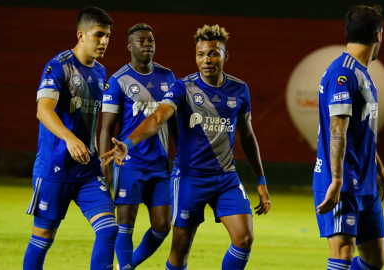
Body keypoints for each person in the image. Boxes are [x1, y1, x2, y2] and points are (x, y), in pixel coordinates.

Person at [101, 24, 271, 270]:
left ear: (225, 55)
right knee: (180, 248)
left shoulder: (239, 90)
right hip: (190, 178)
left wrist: (261, 180)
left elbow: (247, 137)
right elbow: (158, 118)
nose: (206, 60)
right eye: (201, 54)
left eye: (213, 53)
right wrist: (128, 143)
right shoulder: (183, 87)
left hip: (226, 178)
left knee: (244, 238)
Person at [23, 7, 118, 270]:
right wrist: (69, 139)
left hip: (87, 170)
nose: (104, 42)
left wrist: (106, 150)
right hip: (55, 168)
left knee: (109, 229)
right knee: (42, 237)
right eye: (99, 35)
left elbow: (92, 121)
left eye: (108, 36)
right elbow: (43, 110)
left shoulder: (101, 72)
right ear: (81, 35)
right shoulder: (59, 66)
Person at [313, 5, 384, 270]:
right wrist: (337, 179)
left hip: (366, 182)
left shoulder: (362, 74)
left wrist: (380, 173)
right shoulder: (344, 74)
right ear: (378, 35)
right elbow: (337, 129)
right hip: (342, 181)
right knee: (343, 254)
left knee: (375, 259)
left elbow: (360, 135)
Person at [100, 23, 178, 270]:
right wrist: (106, 166)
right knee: (125, 223)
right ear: (130, 47)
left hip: (160, 164)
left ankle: (127, 266)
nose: (147, 44)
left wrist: (180, 154)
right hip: (129, 163)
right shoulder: (117, 81)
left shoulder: (168, 77)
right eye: (142, 41)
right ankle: (125, 267)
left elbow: (173, 123)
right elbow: (106, 128)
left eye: (151, 40)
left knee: (163, 226)